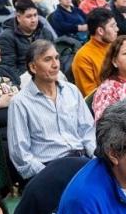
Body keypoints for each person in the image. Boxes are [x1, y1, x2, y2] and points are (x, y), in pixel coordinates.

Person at [7, 40, 95, 180]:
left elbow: (88, 130)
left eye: (56, 58)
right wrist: (48, 175)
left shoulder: (71, 91)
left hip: (82, 160)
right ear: (33, 67)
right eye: (48, 60)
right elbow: (21, 154)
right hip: (49, 167)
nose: (55, 65)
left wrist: (95, 158)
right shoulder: (20, 103)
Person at [0, 0, 57, 78]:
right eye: (29, 16)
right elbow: (8, 68)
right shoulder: (6, 37)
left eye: (35, 15)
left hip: (47, 74)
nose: (33, 20)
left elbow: (55, 57)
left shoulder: (45, 33)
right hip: (23, 79)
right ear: (18, 17)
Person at [71, 8, 119, 96]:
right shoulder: (83, 57)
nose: (117, 29)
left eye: (116, 25)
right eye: (112, 26)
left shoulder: (116, 46)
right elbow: (90, 95)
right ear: (100, 31)